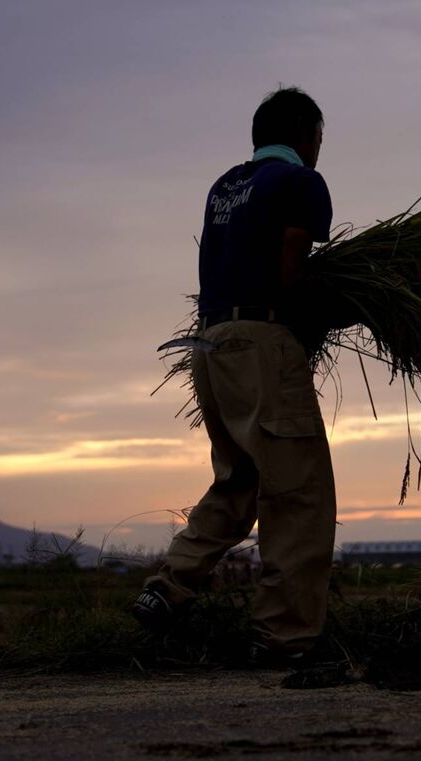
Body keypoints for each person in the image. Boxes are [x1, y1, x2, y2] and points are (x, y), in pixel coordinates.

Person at [132, 86, 337, 666]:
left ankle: (167, 587)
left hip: (211, 344)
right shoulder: (301, 184)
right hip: (262, 343)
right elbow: (291, 268)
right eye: (319, 137)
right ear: (303, 133)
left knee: (239, 481)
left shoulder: (225, 185)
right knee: (298, 493)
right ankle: (284, 636)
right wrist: (320, 313)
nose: (320, 150)